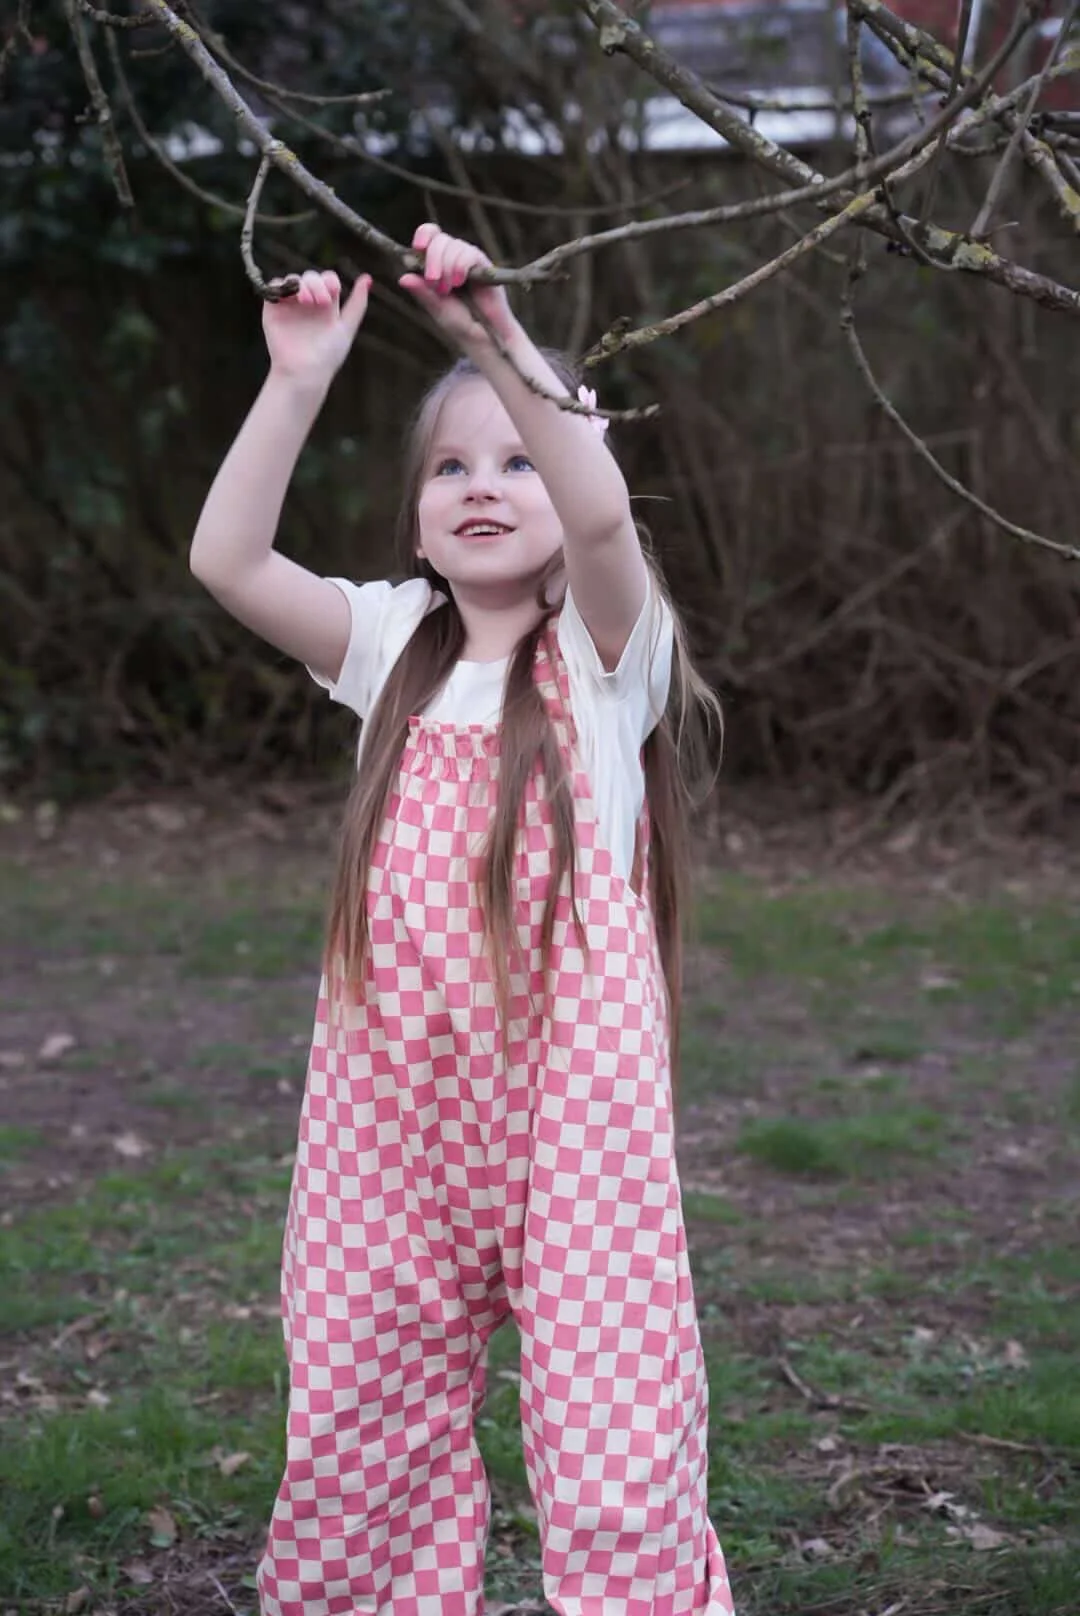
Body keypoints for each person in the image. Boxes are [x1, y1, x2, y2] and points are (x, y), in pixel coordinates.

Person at [190, 223, 734, 1616]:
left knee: (616, 1452)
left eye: (516, 460)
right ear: (415, 511)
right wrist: (298, 380)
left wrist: (496, 344)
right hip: (391, 1121)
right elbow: (229, 560)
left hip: (576, 1126)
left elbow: (601, 517)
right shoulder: (386, 647)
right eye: (448, 466)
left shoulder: (615, 659)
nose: (482, 486)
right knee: (361, 1425)